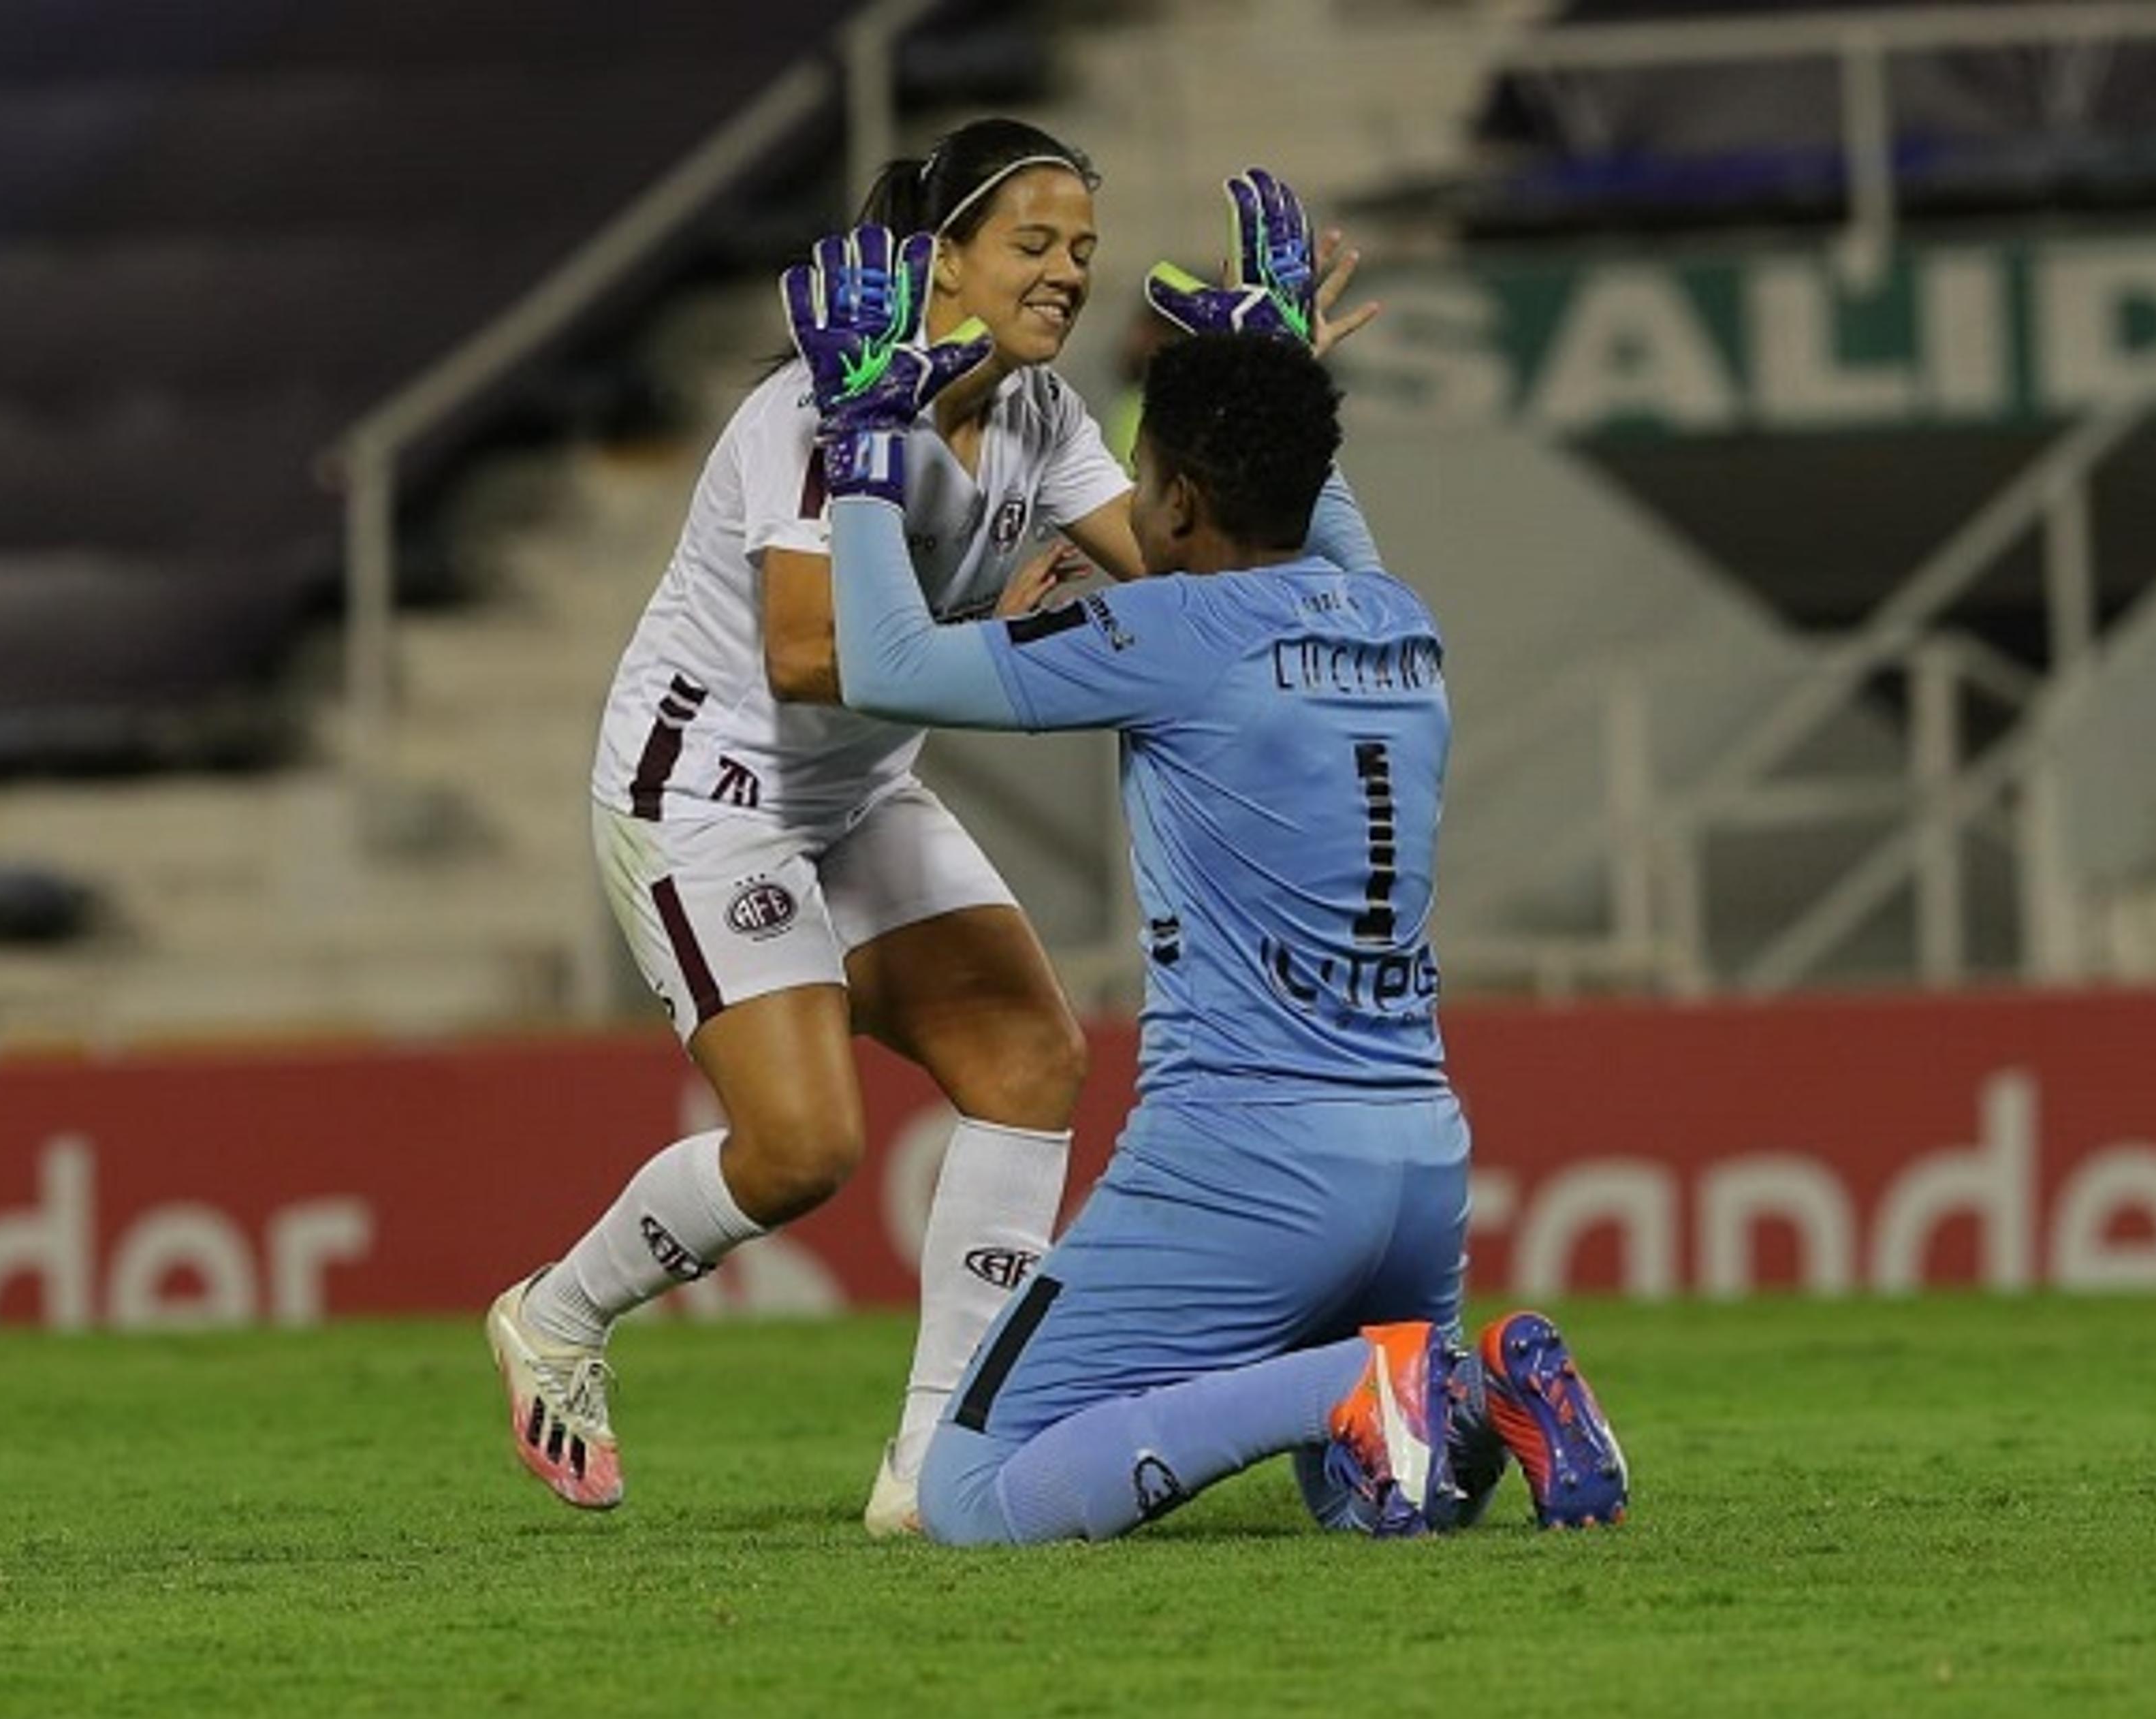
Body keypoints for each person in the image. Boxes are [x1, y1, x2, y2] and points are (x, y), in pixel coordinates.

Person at [483, 121, 1380, 1533]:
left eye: (1084, 249)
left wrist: (1263, 398)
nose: (1068, 273)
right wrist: (1016, 650)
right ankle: (555, 1313)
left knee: (1029, 1059)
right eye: (1033, 244)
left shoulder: (1044, 421)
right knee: (802, 1152)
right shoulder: (811, 412)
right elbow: (800, 650)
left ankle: (929, 1462)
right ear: (940, 257)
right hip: (707, 797)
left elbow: (1207, 581)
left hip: (854, 791)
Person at [784, 193, 1630, 1541]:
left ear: (1176, 500)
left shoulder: (1176, 633)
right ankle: (1469, 1394)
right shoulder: (1399, 620)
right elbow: (1312, 507)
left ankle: (1384, 1375)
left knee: (969, 1493)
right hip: (1419, 1164)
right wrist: (1289, 367)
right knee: (1362, 1497)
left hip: (1241, 1165)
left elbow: (888, 667)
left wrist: (865, 439)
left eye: (1142, 476)